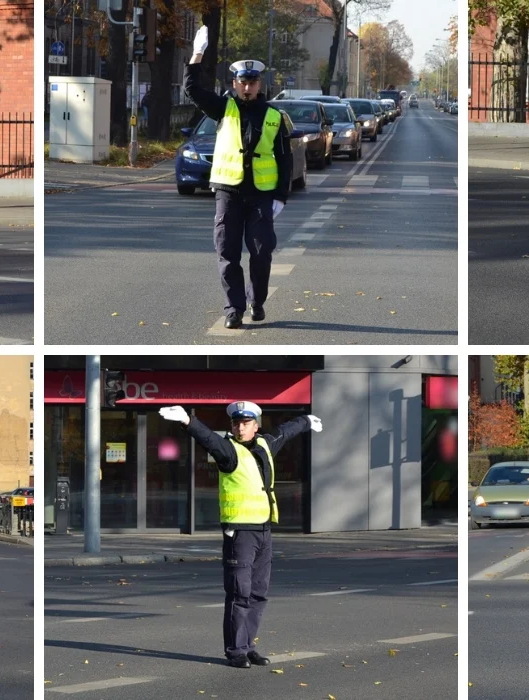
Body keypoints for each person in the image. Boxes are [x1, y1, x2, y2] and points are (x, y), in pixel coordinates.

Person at [157, 401, 321, 668]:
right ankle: (235, 651)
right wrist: (188, 421)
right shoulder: (228, 450)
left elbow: (284, 431)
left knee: (258, 593)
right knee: (239, 593)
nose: (240, 427)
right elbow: (209, 439)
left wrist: (306, 421)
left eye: (245, 423)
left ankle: (248, 645)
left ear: (256, 426)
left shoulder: (266, 444)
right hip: (240, 533)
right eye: (236, 423)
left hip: (264, 530)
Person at [184, 26, 294, 329]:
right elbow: (192, 91)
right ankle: (234, 309)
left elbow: (285, 158)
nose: (247, 88)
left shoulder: (274, 116)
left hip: (261, 194)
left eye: (252, 83)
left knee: (261, 252)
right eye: (242, 83)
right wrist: (197, 55)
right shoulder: (224, 108)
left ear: (260, 84)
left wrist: (281, 197)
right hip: (228, 192)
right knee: (227, 253)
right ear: (234, 83)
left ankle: (257, 301)